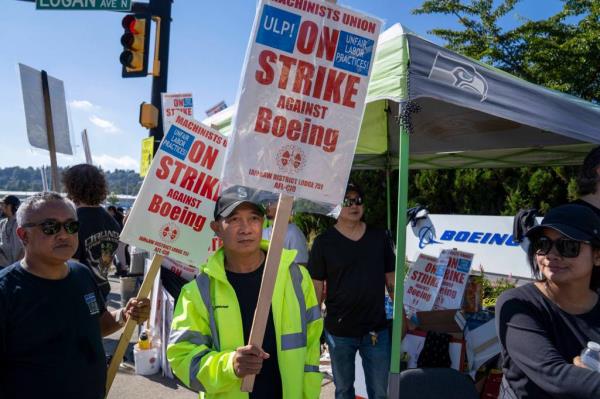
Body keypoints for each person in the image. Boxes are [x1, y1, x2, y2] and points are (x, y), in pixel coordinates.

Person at [167, 189, 323, 399]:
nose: (246, 228)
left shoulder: (296, 277)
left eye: (253, 218)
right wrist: (229, 365)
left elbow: (313, 345)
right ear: (216, 228)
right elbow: (181, 358)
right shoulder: (197, 292)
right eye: (234, 219)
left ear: (264, 223)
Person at [0, 192, 150, 399]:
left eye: (71, 226)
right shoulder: (6, 291)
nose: (64, 234)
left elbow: (99, 325)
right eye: (50, 227)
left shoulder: (81, 274)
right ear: (24, 235)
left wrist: (126, 314)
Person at [496, 204, 600, 398]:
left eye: (568, 246)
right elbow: (555, 375)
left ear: (597, 255)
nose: (551, 255)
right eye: (543, 244)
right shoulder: (518, 305)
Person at [308, 183, 395, 399]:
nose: (354, 205)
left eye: (358, 200)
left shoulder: (379, 238)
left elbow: (391, 281)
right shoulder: (323, 243)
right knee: (344, 390)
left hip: (376, 330)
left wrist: (402, 313)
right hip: (339, 332)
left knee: (380, 392)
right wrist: (313, 326)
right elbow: (315, 289)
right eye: (347, 201)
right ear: (336, 206)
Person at [62, 164, 122, 298]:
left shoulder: (74, 221)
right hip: (102, 289)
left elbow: (71, 265)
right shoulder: (112, 222)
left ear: (71, 187)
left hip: (79, 293)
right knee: (99, 319)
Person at [262, 200, 309, 265]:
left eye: (271, 203)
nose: (266, 206)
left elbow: (301, 263)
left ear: (282, 205)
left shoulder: (294, 233)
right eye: (266, 202)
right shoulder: (264, 231)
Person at [0, 195, 24, 267]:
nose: (0, 208)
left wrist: (15, 266)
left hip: (17, 266)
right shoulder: (2, 223)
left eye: (2, 205)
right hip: (2, 265)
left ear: (9, 206)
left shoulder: (22, 224)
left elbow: (26, 247)